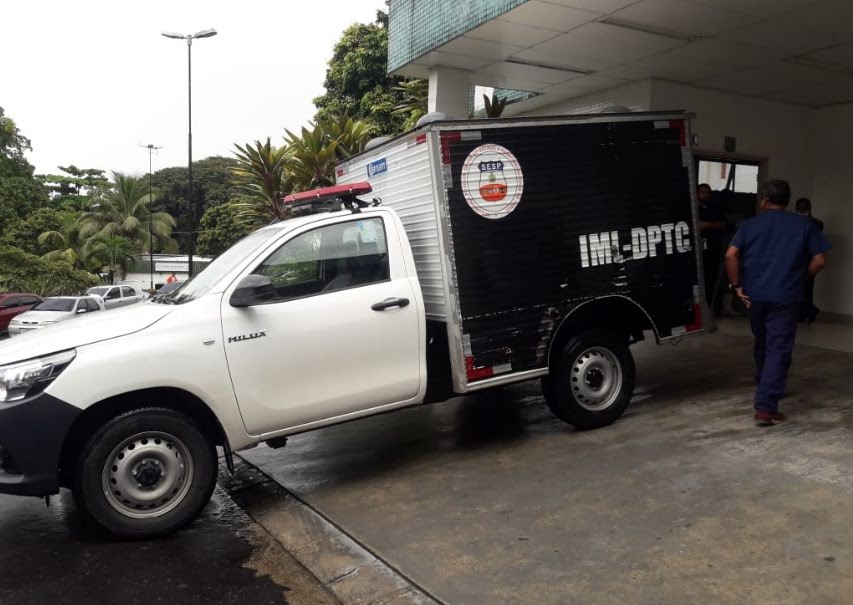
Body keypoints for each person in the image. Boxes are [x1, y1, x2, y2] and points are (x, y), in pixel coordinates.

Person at [725, 179, 830, 426]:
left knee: (763, 342)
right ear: (786, 201)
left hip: (754, 295)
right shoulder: (804, 224)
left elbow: (731, 255)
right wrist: (801, 277)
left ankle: (767, 382)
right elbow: (820, 260)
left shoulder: (749, 225)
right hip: (786, 296)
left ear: (765, 200)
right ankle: (765, 407)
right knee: (778, 348)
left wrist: (737, 286)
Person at [794, 197, 824, 323]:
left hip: (803, 259)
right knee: (804, 288)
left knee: (802, 288)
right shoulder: (815, 223)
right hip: (803, 259)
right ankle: (808, 311)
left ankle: (806, 312)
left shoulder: (814, 223)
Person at [697, 183, 726, 305]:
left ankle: (710, 305)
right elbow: (695, 225)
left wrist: (706, 225)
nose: (706, 195)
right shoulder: (693, 208)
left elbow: (723, 224)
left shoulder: (716, 208)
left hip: (713, 250)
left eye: (708, 192)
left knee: (711, 278)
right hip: (697, 251)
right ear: (697, 193)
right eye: (703, 192)